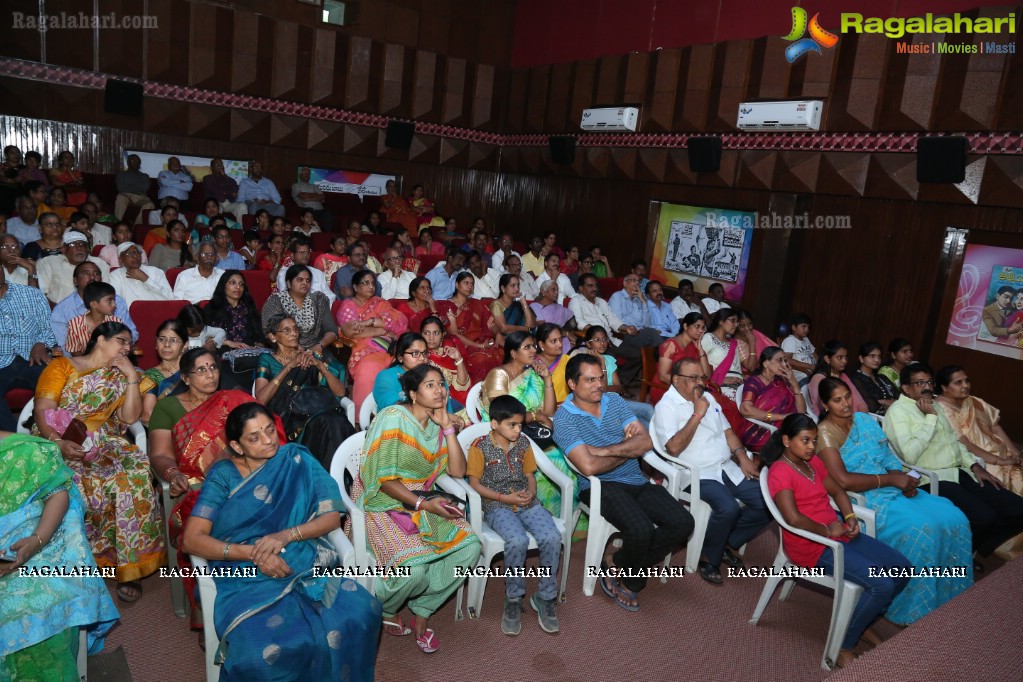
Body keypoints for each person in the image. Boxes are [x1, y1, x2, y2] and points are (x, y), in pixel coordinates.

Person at [182, 402, 381, 679]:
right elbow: (192, 539)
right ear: (237, 446)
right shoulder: (224, 475)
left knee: (362, 611)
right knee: (263, 651)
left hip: (303, 558)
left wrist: (286, 534)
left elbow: (331, 518)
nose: (267, 440)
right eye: (254, 437)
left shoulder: (297, 459)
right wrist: (255, 554)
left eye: (269, 430)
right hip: (244, 571)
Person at [814, 377, 973, 624]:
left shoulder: (865, 420)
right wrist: (891, 481)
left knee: (955, 517)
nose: (846, 404)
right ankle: (912, 607)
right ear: (825, 405)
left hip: (890, 485)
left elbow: (889, 459)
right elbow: (843, 481)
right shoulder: (824, 434)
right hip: (864, 499)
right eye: (837, 400)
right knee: (924, 529)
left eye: (847, 396)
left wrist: (906, 479)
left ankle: (948, 595)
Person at [762, 414, 911, 668]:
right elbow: (793, 518)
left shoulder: (812, 463)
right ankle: (844, 645)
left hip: (836, 532)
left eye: (814, 440)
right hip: (811, 545)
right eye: (805, 440)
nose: (811, 446)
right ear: (787, 440)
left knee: (902, 569)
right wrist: (827, 530)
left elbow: (837, 490)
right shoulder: (780, 471)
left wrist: (850, 516)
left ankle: (859, 623)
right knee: (882, 585)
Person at [33, 322, 165, 602]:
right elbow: (43, 410)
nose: (127, 348)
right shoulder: (62, 367)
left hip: (104, 439)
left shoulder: (124, 374)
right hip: (58, 436)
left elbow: (130, 419)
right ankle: (75, 565)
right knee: (74, 480)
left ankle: (128, 566)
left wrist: (130, 375)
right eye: (121, 340)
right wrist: (59, 442)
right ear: (100, 340)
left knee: (135, 474)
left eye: (130, 343)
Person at [554, 354, 694, 611]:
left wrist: (604, 450)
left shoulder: (615, 401)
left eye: (601, 378)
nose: (599, 385)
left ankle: (616, 560)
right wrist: (627, 448)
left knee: (683, 522)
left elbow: (645, 442)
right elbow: (588, 467)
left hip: (635, 479)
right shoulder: (564, 418)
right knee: (642, 530)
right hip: (599, 487)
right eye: (590, 380)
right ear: (573, 384)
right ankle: (633, 583)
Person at [358, 365, 480, 652]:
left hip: (422, 498)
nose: (439, 390)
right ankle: (387, 608)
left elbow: (458, 472)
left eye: (441, 384)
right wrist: (425, 504)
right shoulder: (393, 418)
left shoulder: (439, 423)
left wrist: (448, 429)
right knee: (414, 571)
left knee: (471, 547)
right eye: (430, 385)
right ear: (413, 394)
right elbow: (383, 481)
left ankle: (423, 610)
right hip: (383, 500)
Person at [148, 348, 260, 624]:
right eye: (202, 370)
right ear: (185, 377)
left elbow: (260, 437)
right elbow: (160, 454)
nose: (210, 374)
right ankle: (211, 603)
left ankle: (259, 593)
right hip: (196, 486)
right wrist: (173, 475)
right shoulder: (168, 407)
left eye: (213, 368)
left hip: (242, 477)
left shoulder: (233, 400)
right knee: (213, 524)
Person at [0, 432, 120, 680]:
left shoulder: (26, 450)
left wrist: (37, 540)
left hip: (31, 551)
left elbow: (57, 494)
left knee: (36, 614)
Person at [883, 363, 1023, 559]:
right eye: (920, 383)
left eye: (930, 382)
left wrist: (974, 466)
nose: (927, 387)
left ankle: (973, 549)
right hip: (930, 478)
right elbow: (909, 455)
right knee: (985, 517)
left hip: (959, 472)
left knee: (1018, 509)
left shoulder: (935, 405)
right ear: (906, 388)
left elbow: (955, 443)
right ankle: (960, 557)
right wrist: (930, 419)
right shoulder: (898, 412)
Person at [651, 357, 770, 585]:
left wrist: (742, 456)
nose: (699, 383)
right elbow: (673, 448)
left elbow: (728, 433)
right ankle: (709, 556)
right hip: (696, 472)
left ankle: (725, 540)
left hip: (725, 466)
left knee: (767, 501)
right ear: (676, 380)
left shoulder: (708, 397)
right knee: (728, 508)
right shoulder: (666, 406)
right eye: (692, 378)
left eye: (701, 378)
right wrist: (697, 414)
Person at [467, 394, 562, 634]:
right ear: (495, 424)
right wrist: (503, 498)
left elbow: (530, 475)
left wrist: (530, 492)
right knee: (517, 540)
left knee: (551, 537)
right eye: (512, 425)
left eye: (520, 424)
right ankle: (513, 597)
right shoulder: (479, 447)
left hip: (525, 500)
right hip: (496, 504)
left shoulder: (524, 444)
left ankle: (545, 596)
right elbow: (475, 484)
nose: (518, 429)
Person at [254, 314, 351, 461]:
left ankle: (333, 475)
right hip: (290, 420)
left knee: (334, 420)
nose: (294, 333)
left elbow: (340, 391)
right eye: (286, 330)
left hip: (318, 414)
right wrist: (289, 366)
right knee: (331, 422)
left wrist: (319, 365)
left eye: (295, 329)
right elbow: (261, 399)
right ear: (273, 337)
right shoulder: (266, 360)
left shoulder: (309, 355)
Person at [936, 365, 1023, 496]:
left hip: (1001, 451)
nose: (965, 385)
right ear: (944, 387)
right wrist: (1000, 461)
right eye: (958, 382)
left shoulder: (974, 401)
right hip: (979, 460)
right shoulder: (941, 409)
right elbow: (964, 443)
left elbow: (995, 427)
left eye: (967, 381)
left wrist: (1015, 453)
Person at [335, 269, 409, 416]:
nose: (371, 287)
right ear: (355, 287)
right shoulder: (348, 305)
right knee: (369, 368)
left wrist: (370, 322)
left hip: (392, 347)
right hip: (364, 348)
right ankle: (362, 418)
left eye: (372, 283)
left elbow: (399, 322)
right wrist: (381, 330)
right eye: (365, 283)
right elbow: (351, 331)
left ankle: (401, 413)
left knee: (409, 361)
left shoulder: (380, 303)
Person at [570, 273, 659, 385]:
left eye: (595, 285)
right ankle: (611, 387)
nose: (594, 288)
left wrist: (626, 328)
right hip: (595, 341)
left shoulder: (601, 301)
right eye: (590, 286)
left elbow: (613, 320)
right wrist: (597, 333)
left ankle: (620, 383)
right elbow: (579, 322)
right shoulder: (576, 301)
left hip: (611, 339)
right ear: (581, 288)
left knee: (639, 355)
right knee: (610, 359)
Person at [0, 266, 60, 431]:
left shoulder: (31, 294)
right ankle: (13, 441)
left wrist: (42, 343)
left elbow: (50, 328)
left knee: (56, 381)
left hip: (32, 358)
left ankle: (49, 434)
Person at [573, 325, 655, 427]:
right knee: (643, 423)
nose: (602, 343)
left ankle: (663, 439)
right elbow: (603, 389)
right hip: (602, 408)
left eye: (604, 339)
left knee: (649, 410)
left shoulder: (609, 359)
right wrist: (602, 364)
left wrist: (608, 388)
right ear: (589, 344)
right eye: (597, 340)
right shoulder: (584, 363)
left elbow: (619, 387)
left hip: (615, 402)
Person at [50, 261, 138, 353]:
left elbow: (132, 332)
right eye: (86, 273)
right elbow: (64, 346)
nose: (92, 277)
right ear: (75, 281)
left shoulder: (117, 301)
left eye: (96, 274)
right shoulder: (63, 309)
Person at [739, 346, 807, 451]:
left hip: (783, 428)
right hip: (759, 431)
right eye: (779, 360)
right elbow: (746, 409)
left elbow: (801, 411)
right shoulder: (754, 382)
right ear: (766, 363)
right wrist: (781, 417)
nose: (784, 364)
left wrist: (794, 383)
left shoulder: (781, 381)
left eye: (785, 360)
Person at [263, 265, 338, 353]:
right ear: (289, 283)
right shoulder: (275, 301)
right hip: (285, 352)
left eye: (308, 280)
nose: (304, 283)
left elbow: (331, 330)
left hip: (316, 349)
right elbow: (269, 332)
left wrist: (319, 346)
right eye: (299, 280)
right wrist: (297, 348)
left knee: (336, 367)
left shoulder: (318, 300)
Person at [447, 271, 502, 383]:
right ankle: (479, 393)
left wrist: (498, 334)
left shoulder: (477, 304)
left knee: (501, 352)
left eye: (472, 284)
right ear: (457, 285)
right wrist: (480, 346)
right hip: (463, 346)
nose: (470, 286)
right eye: (466, 283)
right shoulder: (449, 306)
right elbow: (454, 334)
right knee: (482, 359)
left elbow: (491, 324)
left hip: (483, 341)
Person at [650, 312, 710, 404]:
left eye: (703, 327)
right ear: (685, 326)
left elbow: (706, 375)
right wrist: (685, 387)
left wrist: (700, 350)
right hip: (667, 388)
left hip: (690, 387)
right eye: (697, 326)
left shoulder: (695, 346)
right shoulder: (670, 345)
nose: (701, 331)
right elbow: (663, 376)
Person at [37, 230, 111, 305]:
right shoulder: (48, 263)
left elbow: (106, 292)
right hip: (57, 310)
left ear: (87, 249)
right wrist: (59, 310)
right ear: (63, 249)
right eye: (72, 244)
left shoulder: (100, 264)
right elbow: (41, 294)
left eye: (83, 244)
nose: (79, 248)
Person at [702, 308, 757, 400]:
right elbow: (698, 363)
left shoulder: (733, 343)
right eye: (733, 321)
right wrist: (721, 380)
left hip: (739, 386)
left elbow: (737, 367)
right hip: (719, 386)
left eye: (737, 322)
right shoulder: (709, 338)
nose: (736, 325)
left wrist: (741, 376)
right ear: (721, 322)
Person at [141, 319, 188, 423]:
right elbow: (147, 415)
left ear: (185, 345)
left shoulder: (194, 371)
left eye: (173, 340)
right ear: (156, 343)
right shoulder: (151, 377)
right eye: (162, 339)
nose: (166, 345)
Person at [806, 340, 869, 417]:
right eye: (840, 357)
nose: (844, 361)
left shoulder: (843, 376)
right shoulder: (818, 379)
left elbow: (860, 402)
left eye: (845, 357)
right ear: (827, 359)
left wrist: (862, 420)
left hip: (852, 419)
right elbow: (823, 409)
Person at [204, 270, 265, 349]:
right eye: (232, 283)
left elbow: (260, 336)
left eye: (241, 284)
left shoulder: (249, 308)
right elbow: (203, 336)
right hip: (221, 351)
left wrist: (257, 346)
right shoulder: (211, 308)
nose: (238, 287)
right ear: (223, 286)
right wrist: (228, 343)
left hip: (247, 352)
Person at [420, 315, 470, 408]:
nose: (431, 338)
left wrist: (458, 359)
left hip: (450, 400)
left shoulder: (448, 353)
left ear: (443, 335)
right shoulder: (418, 356)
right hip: (426, 401)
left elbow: (462, 386)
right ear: (421, 334)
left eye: (436, 333)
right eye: (426, 333)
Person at [64, 282, 123, 356]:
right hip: (85, 364)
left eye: (114, 300)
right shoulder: (75, 324)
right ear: (94, 304)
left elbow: (120, 349)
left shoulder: (116, 322)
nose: (114, 305)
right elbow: (75, 351)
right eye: (109, 301)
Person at [109, 242, 174, 306]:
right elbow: (116, 304)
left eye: (137, 252)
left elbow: (170, 298)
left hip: (158, 313)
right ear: (120, 259)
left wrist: (146, 279)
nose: (135, 256)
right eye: (129, 253)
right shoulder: (115, 276)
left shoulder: (156, 272)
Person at [275, 237, 334, 303]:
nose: (305, 255)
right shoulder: (284, 273)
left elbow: (330, 295)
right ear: (292, 255)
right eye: (301, 252)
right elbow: (285, 295)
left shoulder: (318, 273)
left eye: (307, 252)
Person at [850, 342, 899, 415]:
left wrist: (880, 401)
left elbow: (900, 399)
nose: (877, 360)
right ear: (861, 358)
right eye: (872, 356)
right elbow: (871, 406)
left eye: (879, 356)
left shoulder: (882, 377)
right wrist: (888, 402)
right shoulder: (855, 379)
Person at [489, 273, 536, 341]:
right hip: (508, 340)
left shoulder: (518, 304)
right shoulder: (496, 305)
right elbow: (504, 328)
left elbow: (531, 325)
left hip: (524, 338)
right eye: (513, 285)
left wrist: (524, 303)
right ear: (503, 288)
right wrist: (525, 328)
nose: (517, 289)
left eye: (518, 285)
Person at [780, 313, 816, 386]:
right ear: (793, 327)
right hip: (800, 378)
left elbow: (815, 356)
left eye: (808, 327)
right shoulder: (790, 340)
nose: (807, 329)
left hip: (811, 374)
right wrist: (809, 367)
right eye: (803, 326)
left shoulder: (806, 340)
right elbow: (787, 360)